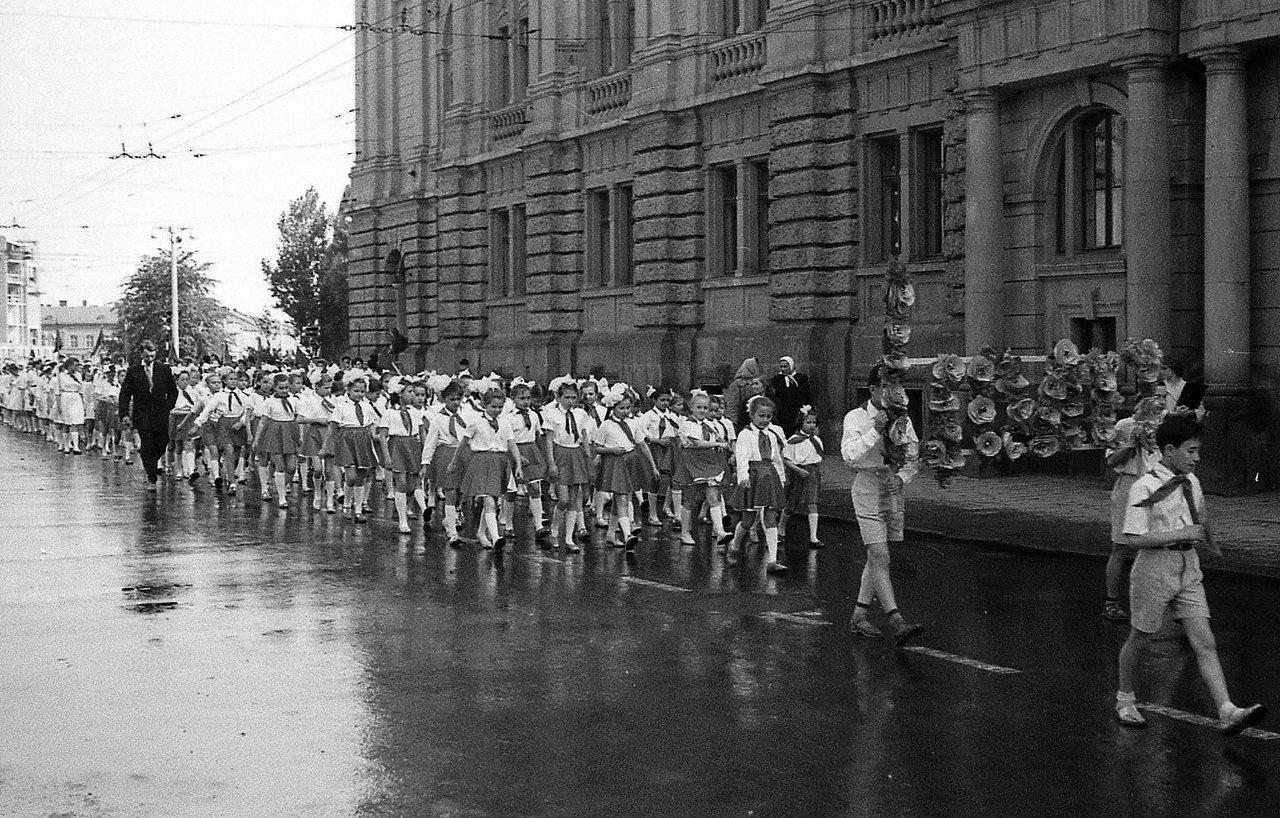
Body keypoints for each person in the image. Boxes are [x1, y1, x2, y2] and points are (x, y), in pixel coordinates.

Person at [1114, 413, 1267, 736]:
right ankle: (1125, 698)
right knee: (1141, 637)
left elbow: (1201, 514)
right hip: (1154, 569)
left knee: (1205, 642)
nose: (1197, 458)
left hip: (1189, 568)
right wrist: (1182, 534)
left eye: (1198, 451)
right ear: (1169, 450)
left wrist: (1210, 541)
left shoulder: (1192, 482)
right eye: (1191, 451)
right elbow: (1134, 538)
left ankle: (1227, 710)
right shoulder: (1145, 486)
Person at [841, 364, 923, 646]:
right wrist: (874, 431)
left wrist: (902, 477)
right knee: (881, 555)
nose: (892, 393)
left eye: (895, 388)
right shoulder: (855, 417)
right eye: (886, 388)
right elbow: (849, 456)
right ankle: (896, 619)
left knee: (875, 558)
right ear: (873, 389)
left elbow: (913, 453)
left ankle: (859, 616)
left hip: (891, 489)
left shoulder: (902, 417)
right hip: (865, 488)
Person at [1101, 399, 1163, 621]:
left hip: (1155, 485)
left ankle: (1159, 601)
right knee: (1121, 546)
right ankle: (1111, 602)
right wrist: (1132, 444)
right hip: (1129, 486)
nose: (1159, 407)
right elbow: (1111, 460)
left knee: (1157, 543)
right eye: (1155, 404)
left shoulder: (1163, 425)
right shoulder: (1123, 426)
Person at [450, 388, 523, 552]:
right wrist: (454, 462)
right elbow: (463, 443)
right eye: (493, 407)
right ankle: (496, 537)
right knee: (488, 499)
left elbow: (512, 444)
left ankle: (482, 533)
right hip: (481, 461)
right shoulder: (476, 422)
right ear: (484, 405)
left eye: (500, 407)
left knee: (493, 500)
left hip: (500, 462)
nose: (497, 410)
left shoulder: (505, 423)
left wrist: (517, 464)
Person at [727, 395, 788, 574]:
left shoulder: (772, 434)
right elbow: (742, 455)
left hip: (769, 476)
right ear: (752, 415)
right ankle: (735, 545)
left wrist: (781, 479)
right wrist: (743, 477)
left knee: (771, 517)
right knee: (748, 520)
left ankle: (772, 560)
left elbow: (777, 458)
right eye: (761, 416)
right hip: (753, 476)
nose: (765, 420)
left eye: (768, 417)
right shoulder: (745, 434)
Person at [117, 340, 179, 492]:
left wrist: (167, 406)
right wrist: (124, 414)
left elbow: (173, 391)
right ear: (141, 355)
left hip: (160, 413)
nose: (150, 359)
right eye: (146, 356)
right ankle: (152, 477)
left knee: (162, 442)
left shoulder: (164, 369)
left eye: (152, 356)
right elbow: (125, 394)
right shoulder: (133, 371)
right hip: (142, 414)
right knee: (148, 445)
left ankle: (150, 462)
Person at [674, 391, 733, 547]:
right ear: (692, 408)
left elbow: (712, 439)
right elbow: (697, 443)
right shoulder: (688, 424)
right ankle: (685, 532)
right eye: (699, 407)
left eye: (705, 408)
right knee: (689, 500)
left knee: (713, 497)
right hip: (692, 463)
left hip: (708, 462)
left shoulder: (709, 425)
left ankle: (719, 531)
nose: (702, 411)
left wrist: (718, 442)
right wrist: (717, 444)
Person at [782, 405, 825, 548]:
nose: (812, 425)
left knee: (812, 503)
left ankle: (813, 537)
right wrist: (796, 469)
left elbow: (819, 457)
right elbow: (786, 459)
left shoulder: (817, 440)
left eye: (814, 423)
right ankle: (781, 527)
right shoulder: (793, 440)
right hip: (798, 473)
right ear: (801, 422)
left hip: (812, 473)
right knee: (792, 503)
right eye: (808, 422)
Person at [770, 356, 814, 436]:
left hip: (798, 412)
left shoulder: (801, 378)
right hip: (783, 414)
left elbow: (807, 395)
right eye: (781, 366)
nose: (783, 369)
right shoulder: (776, 380)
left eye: (785, 366)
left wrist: (808, 408)